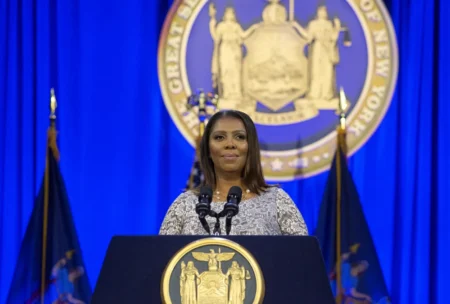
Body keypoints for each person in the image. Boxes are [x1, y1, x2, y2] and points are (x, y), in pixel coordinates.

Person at [159, 110, 308, 236]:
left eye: (240, 137)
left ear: (251, 147)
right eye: (219, 137)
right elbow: (163, 262)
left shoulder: (277, 201)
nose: (230, 144)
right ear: (208, 150)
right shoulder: (184, 204)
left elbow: (302, 259)